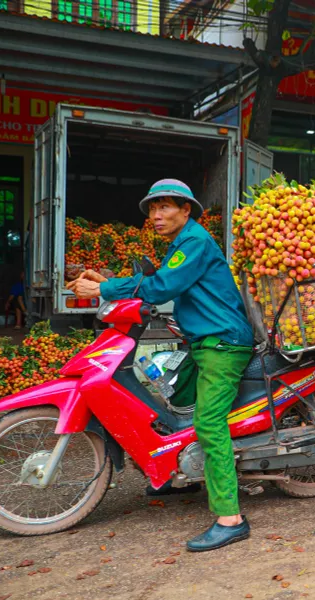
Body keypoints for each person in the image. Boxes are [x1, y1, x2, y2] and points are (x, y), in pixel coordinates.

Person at [68, 179, 255, 553]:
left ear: (186, 210)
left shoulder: (195, 242)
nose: (156, 215)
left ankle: (230, 518)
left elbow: (162, 287)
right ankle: (179, 469)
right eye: (153, 209)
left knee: (208, 421)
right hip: (202, 340)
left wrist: (103, 291)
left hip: (223, 343)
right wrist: (113, 282)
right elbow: (157, 281)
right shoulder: (181, 244)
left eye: (165, 207)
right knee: (171, 393)